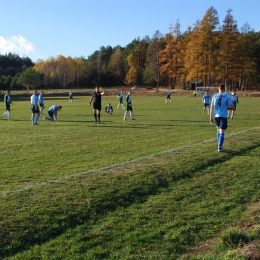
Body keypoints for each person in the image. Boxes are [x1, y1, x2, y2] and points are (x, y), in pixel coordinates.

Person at [210, 84, 235, 152]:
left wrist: (210, 117)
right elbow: (232, 106)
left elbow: (212, 107)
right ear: (224, 89)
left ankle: (219, 144)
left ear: (218, 89)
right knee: (222, 131)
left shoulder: (214, 96)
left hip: (216, 116)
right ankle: (220, 147)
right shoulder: (227, 96)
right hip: (223, 116)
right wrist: (228, 107)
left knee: (218, 129)